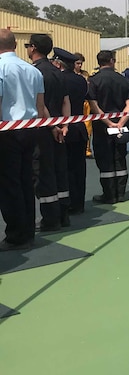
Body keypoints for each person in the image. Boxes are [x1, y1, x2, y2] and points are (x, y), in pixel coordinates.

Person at [0, 30, 46, 250]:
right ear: (16, 45)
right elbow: (39, 105)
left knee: (9, 184)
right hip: (30, 128)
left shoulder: (1, 67)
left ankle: (16, 234)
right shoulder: (32, 70)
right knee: (26, 180)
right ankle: (27, 230)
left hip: (7, 130)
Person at [27, 33, 71, 230]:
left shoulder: (33, 72)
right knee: (60, 171)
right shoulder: (58, 72)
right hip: (60, 128)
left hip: (44, 129)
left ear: (33, 47)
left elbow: (40, 105)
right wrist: (65, 126)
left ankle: (50, 219)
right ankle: (63, 215)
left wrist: (52, 126)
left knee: (43, 175)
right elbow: (65, 101)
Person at [87, 50, 129, 203]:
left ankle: (109, 194)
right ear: (112, 61)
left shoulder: (93, 81)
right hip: (120, 125)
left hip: (102, 126)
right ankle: (120, 193)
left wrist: (108, 122)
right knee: (120, 157)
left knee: (105, 159)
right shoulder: (123, 80)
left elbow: (94, 105)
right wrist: (120, 122)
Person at [53, 48, 89, 214]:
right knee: (79, 168)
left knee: (64, 169)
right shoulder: (81, 80)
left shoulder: (58, 80)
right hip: (79, 127)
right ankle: (78, 203)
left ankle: (66, 204)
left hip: (64, 127)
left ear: (58, 63)